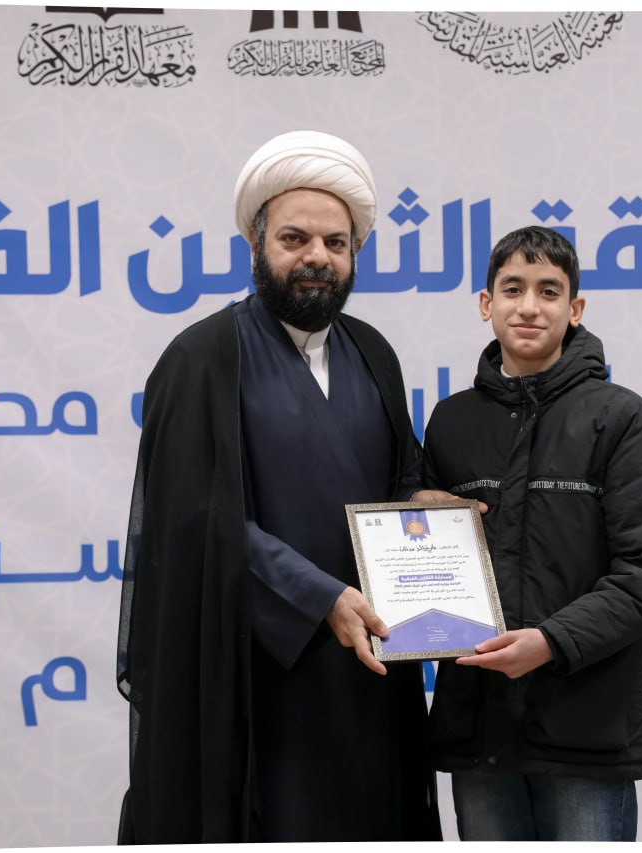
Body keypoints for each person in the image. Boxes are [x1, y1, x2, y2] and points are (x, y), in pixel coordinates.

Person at [115, 130, 442, 843]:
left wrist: (431, 514)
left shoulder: (374, 353)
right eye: (295, 238)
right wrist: (317, 596)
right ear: (256, 243)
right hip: (251, 679)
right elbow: (192, 520)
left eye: (336, 242)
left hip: (368, 673)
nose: (316, 257)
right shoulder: (202, 358)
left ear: (356, 251)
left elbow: (400, 479)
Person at [420, 226, 642, 841]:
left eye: (549, 291)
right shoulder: (451, 421)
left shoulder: (619, 416)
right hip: (479, 729)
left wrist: (550, 642)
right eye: (512, 288)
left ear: (576, 308)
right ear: (486, 303)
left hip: (583, 730)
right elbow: (428, 553)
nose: (529, 306)